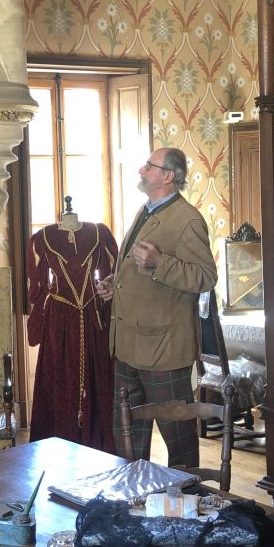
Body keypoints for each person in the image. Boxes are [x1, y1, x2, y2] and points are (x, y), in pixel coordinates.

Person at [95, 147, 217, 468]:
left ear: (168, 176)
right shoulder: (146, 210)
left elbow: (205, 277)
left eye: (149, 165)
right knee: (128, 437)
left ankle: (188, 496)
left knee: (178, 438)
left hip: (163, 349)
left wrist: (160, 262)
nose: (141, 170)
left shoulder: (188, 219)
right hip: (127, 345)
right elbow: (138, 269)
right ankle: (133, 494)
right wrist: (116, 284)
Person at [26, 205, 118, 451]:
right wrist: (37, 322)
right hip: (59, 321)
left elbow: (111, 276)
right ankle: (60, 442)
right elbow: (37, 287)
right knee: (60, 379)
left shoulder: (99, 233)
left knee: (97, 379)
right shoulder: (42, 238)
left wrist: (108, 302)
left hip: (93, 317)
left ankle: (98, 442)